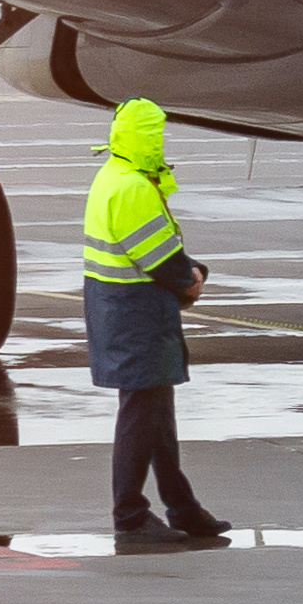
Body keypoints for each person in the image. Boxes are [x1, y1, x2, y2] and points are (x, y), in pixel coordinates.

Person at [79, 99, 230, 543]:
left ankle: (183, 508)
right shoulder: (134, 188)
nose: (161, 143)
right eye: (157, 135)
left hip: (122, 309)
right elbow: (161, 258)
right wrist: (192, 278)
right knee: (141, 417)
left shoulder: (113, 177)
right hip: (136, 315)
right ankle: (130, 516)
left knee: (157, 418)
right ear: (144, 138)